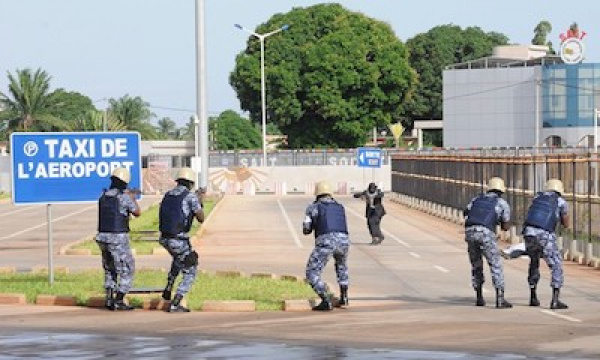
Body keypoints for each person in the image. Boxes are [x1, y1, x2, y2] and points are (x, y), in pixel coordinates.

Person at [159, 167, 204, 313]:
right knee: (191, 267)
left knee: (178, 259)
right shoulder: (190, 197)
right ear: (191, 183)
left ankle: (168, 287)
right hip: (178, 239)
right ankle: (176, 301)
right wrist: (199, 200)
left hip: (165, 238)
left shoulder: (168, 194)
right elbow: (201, 218)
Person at [96, 167, 141, 311]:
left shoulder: (103, 196)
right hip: (118, 237)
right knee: (127, 269)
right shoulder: (123, 197)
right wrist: (133, 197)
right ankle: (119, 299)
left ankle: (109, 298)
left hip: (103, 236)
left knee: (110, 269)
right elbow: (137, 212)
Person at [464, 177, 512, 309]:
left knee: (476, 265)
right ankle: (500, 299)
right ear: (501, 191)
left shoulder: (476, 199)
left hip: (470, 232)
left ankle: (479, 297)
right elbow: (505, 226)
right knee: (495, 264)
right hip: (486, 234)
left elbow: (466, 212)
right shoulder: (502, 203)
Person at [522, 179, 569, 309]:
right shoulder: (560, 202)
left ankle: (533, 296)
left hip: (529, 233)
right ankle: (555, 300)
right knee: (556, 264)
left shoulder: (537, 197)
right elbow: (565, 224)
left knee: (534, 261)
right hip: (545, 235)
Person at [304, 181, 350, 311]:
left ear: (317, 194)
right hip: (344, 241)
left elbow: (306, 229)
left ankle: (325, 299)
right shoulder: (339, 206)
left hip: (326, 241)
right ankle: (344, 297)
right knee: (342, 267)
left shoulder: (313, 207)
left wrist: (311, 222)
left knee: (311, 272)